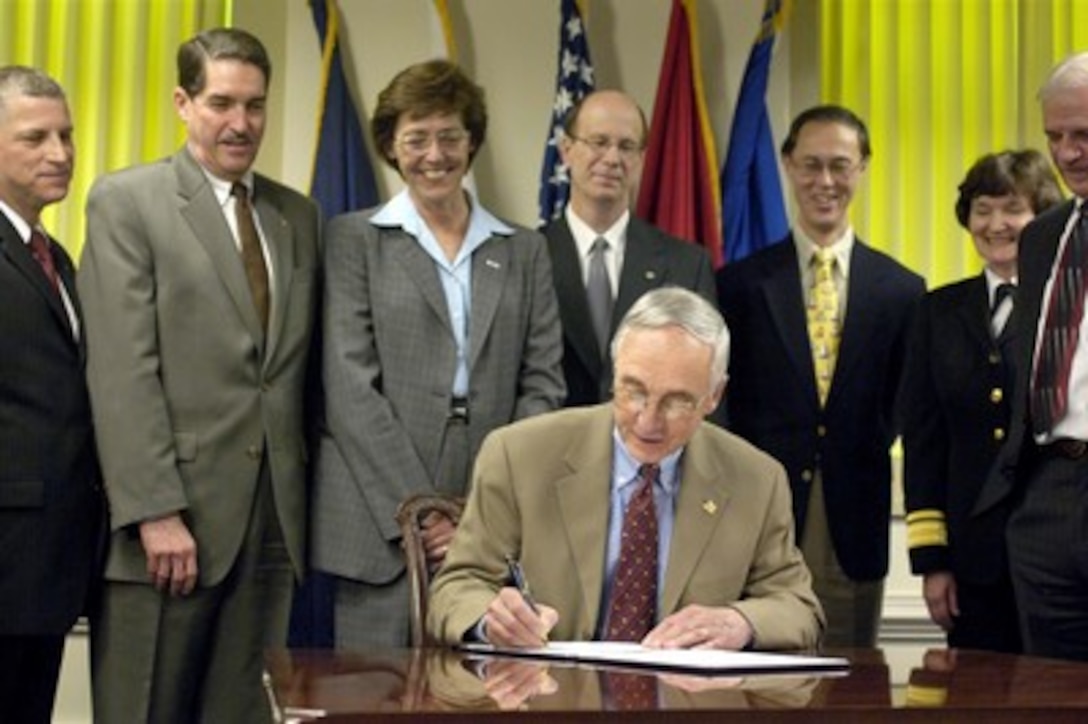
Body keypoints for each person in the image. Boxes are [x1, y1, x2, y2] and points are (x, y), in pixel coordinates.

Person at [78, 28, 320, 721]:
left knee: (244, 711)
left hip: (272, 520)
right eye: (221, 103)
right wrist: (156, 509)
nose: (240, 123)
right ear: (184, 103)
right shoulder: (128, 202)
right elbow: (122, 370)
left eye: (255, 105)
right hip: (169, 523)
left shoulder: (296, 216)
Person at [310, 59, 565, 650]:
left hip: (490, 507)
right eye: (416, 138)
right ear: (391, 147)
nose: (435, 154)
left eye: (449, 136)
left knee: (480, 693)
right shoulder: (353, 241)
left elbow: (543, 387)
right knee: (373, 700)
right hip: (379, 518)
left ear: (471, 140)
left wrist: (478, 513)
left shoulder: (523, 250)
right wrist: (420, 513)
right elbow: (350, 388)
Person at [428, 287, 823, 651]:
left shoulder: (756, 480)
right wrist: (492, 620)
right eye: (633, 390)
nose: (648, 422)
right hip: (552, 699)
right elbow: (457, 587)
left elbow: (797, 606)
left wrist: (740, 622)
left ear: (714, 396)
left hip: (687, 707)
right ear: (614, 374)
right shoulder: (519, 455)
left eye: (677, 401)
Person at [714, 105, 925, 647]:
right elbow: (725, 402)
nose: (824, 181)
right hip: (760, 513)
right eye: (810, 165)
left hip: (854, 515)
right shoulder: (738, 285)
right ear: (786, 164)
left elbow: (907, 400)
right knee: (760, 677)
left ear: (862, 167)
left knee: (854, 680)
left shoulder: (902, 290)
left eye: (839, 165)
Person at [900, 150, 1062, 653]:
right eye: (982, 209)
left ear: (1041, 217)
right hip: (973, 561)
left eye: (1012, 208)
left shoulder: (1070, 307)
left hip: (1060, 554)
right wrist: (933, 561)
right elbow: (924, 443)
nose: (995, 224)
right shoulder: (937, 311)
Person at [975, 51, 1088, 662]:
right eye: (1056, 137)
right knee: (1050, 694)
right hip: (1046, 495)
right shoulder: (1044, 235)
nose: (1068, 153)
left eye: (1083, 135)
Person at [0, 65, 103, 724]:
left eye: (65, 135)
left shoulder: (54, 254)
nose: (61, 153)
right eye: (35, 138)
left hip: (45, 565)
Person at [543, 89, 716, 407]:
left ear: (641, 159)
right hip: (552, 448)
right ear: (566, 150)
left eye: (626, 146)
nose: (612, 159)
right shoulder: (528, 256)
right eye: (598, 142)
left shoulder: (687, 265)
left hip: (651, 448)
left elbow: (702, 385)